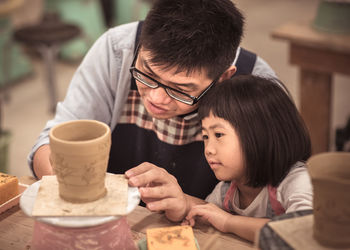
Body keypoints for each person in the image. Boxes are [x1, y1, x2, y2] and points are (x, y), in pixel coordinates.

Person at [29, 0, 277, 212]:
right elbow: (50, 143)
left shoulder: (259, 88)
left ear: (223, 77)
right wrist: (71, 183)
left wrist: (188, 204)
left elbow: (277, 211)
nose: (157, 98)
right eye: (146, 74)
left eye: (180, 89)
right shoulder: (116, 50)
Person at [178, 75, 312, 242]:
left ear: (261, 134)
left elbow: (304, 230)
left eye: (218, 134)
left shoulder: (296, 180)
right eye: (206, 136)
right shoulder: (225, 192)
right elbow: (210, 222)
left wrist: (229, 222)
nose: (209, 150)